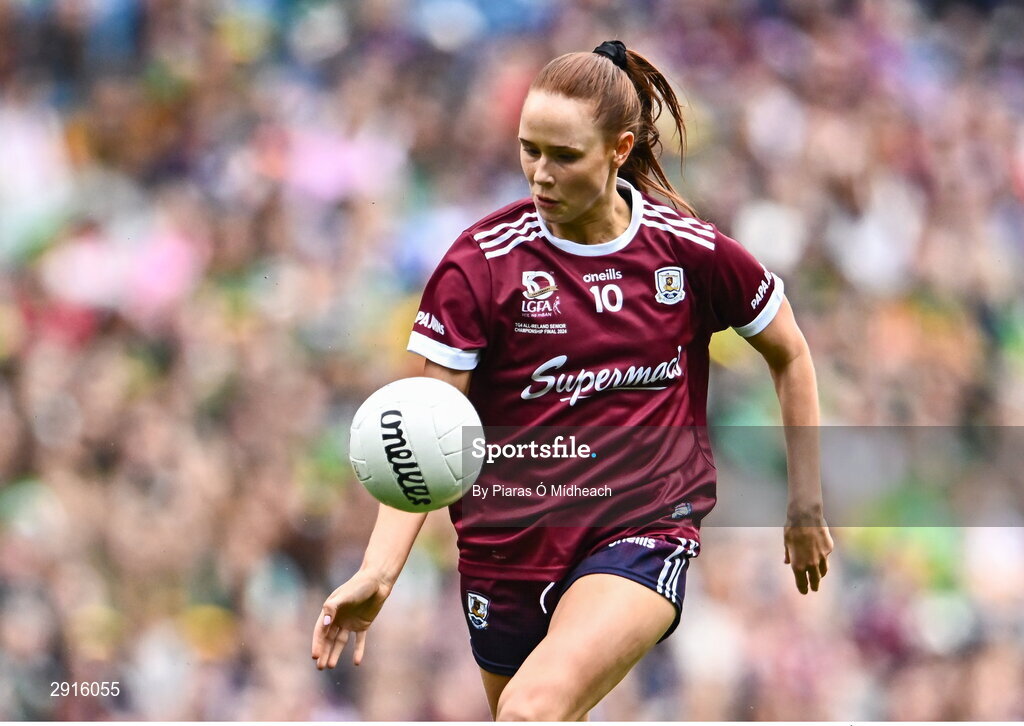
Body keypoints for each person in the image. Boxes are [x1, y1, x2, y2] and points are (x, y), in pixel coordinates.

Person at [312, 40, 833, 721]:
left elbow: (790, 352)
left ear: (620, 149)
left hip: (643, 529)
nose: (540, 175)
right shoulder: (480, 266)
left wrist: (805, 503)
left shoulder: (691, 253)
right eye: (529, 150)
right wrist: (379, 571)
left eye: (564, 156)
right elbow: (427, 431)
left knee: (530, 711)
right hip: (506, 549)